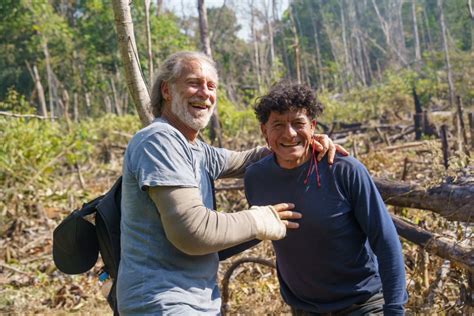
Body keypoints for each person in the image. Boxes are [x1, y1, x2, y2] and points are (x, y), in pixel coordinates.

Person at [116, 51, 345, 314]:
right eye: (194, 82)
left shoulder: (196, 149)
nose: (204, 92)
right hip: (161, 302)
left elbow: (248, 159)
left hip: (195, 301)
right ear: (167, 90)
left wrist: (301, 142)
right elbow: (191, 231)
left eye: (211, 86)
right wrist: (259, 220)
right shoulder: (159, 139)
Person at [242, 82, 408, 315]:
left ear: (312, 127)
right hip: (304, 308)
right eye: (278, 124)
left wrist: (395, 309)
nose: (289, 133)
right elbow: (251, 232)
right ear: (264, 131)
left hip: (362, 304)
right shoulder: (256, 178)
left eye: (298, 123)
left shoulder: (343, 170)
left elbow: (385, 239)